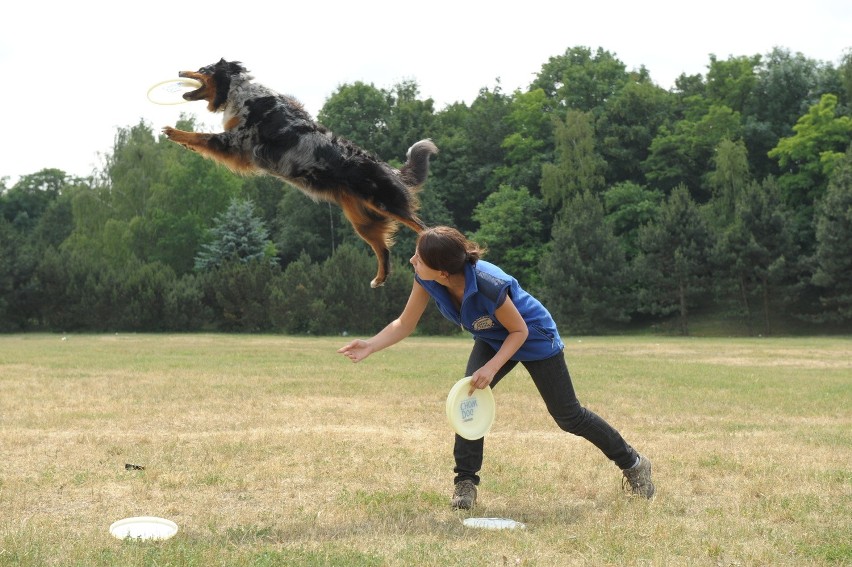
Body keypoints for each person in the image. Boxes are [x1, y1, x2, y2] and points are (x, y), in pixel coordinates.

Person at [338, 226, 654, 508]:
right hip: (491, 337)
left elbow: (519, 331)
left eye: (418, 257)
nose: (411, 261)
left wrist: (490, 368)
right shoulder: (427, 277)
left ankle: (634, 463)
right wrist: (371, 345)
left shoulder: (489, 284)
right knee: (468, 400)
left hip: (534, 338)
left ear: (443, 272)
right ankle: (465, 482)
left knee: (568, 416)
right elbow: (405, 323)